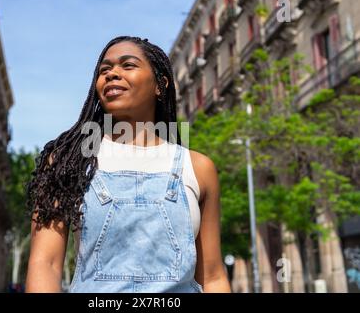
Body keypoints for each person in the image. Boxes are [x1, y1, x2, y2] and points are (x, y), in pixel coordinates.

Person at [25, 36, 231, 293]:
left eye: (128, 65)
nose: (112, 74)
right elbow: (46, 264)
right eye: (104, 70)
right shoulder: (67, 162)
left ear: (160, 85)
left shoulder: (199, 168)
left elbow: (212, 276)